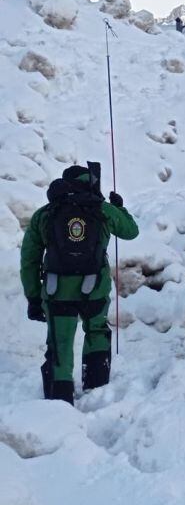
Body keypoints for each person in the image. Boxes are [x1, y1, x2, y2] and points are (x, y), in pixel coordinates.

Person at [19, 164, 139, 404]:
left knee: (59, 343)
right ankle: (96, 391)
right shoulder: (102, 209)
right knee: (96, 331)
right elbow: (131, 231)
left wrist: (33, 297)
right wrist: (120, 208)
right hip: (94, 288)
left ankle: (59, 401)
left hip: (57, 291)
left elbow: (29, 260)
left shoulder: (46, 213)